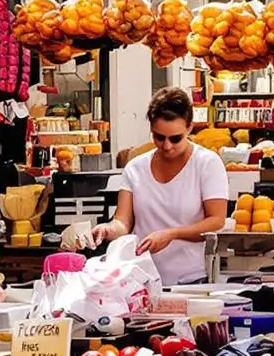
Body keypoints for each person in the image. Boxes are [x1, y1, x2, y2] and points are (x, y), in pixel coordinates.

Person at [71, 88, 228, 284]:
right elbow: (123, 222)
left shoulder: (207, 164)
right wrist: (107, 229)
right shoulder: (135, 168)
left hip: (190, 280)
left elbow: (216, 221)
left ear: (190, 128)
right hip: (141, 279)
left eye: (175, 138)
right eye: (159, 137)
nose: (167, 146)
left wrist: (172, 234)